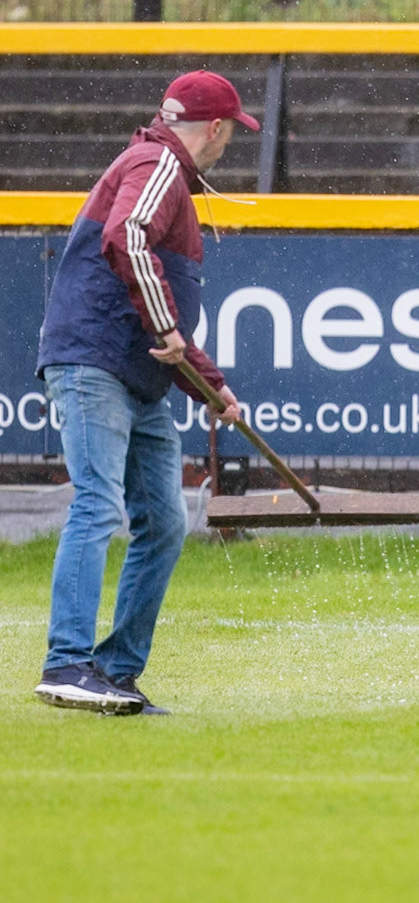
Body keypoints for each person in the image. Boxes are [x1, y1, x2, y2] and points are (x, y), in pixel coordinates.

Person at [33, 70, 252, 714]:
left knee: (163, 522)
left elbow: (167, 329)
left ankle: (115, 671)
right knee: (98, 505)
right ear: (214, 128)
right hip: (95, 363)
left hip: (138, 374)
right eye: (231, 135)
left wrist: (212, 386)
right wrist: (166, 329)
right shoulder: (157, 162)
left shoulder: (165, 172)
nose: (227, 146)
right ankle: (66, 663)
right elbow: (125, 239)